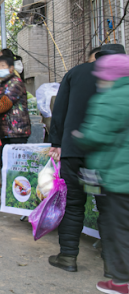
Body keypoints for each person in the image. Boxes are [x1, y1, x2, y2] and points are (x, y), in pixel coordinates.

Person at [47, 43, 126, 273]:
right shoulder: (124, 79)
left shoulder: (75, 73)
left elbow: (58, 111)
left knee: (73, 206)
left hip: (74, 153)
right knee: (109, 210)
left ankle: (68, 257)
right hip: (106, 159)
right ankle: (112, 266)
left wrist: (57, 143)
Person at [74, 54, 129, 294]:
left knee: (118, 228)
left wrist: (79, 137)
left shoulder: (109, 99)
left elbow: (95, 136)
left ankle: (121, 281)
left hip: (117, 177)